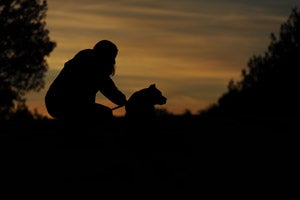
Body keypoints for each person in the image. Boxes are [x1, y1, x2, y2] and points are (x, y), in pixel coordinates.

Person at [45, 40, 127, 122]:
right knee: (105, 114)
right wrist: (124, 101)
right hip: (66, 105)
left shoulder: (83, 60)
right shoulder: (96, 68)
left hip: (53, 102)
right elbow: (110, 90)